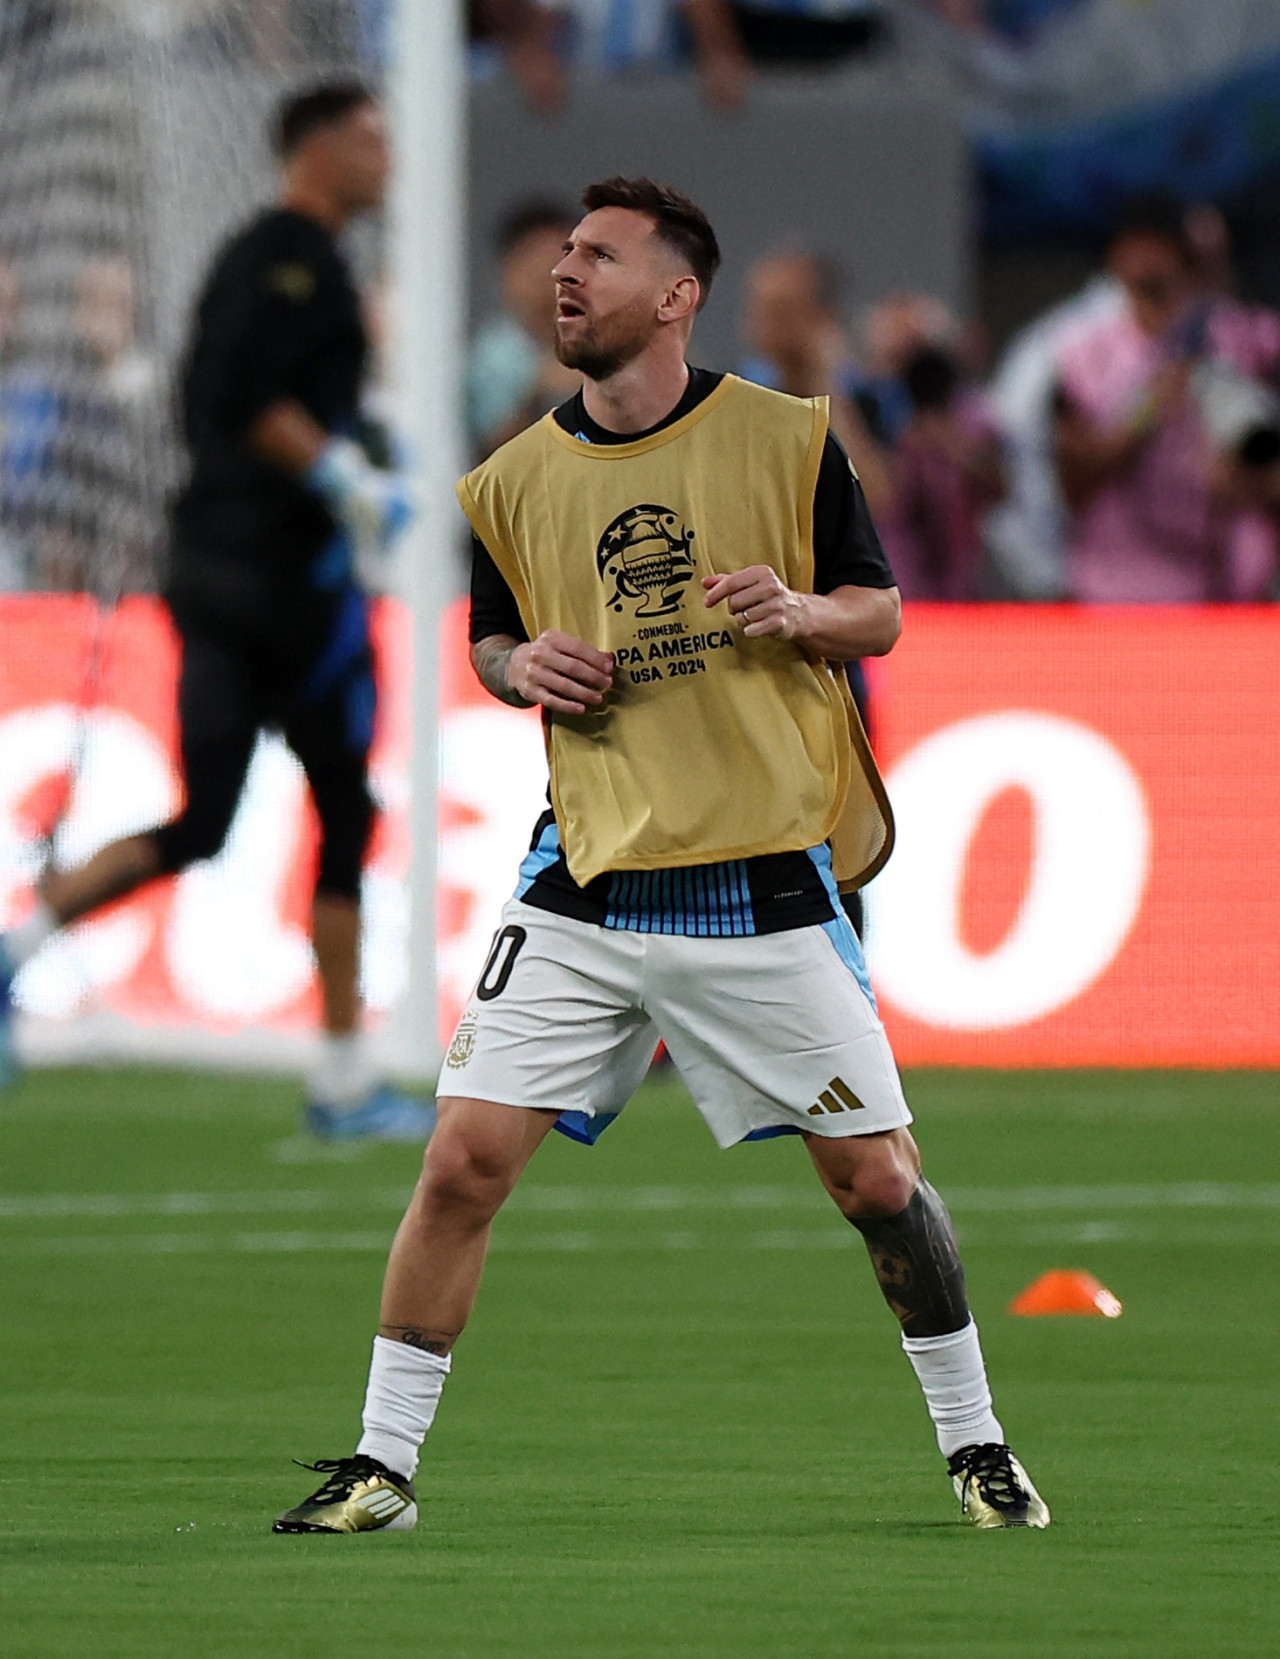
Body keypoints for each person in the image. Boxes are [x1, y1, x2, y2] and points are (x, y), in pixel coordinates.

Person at [273, 176, 1050, 1535]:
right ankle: (382, 1465)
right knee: (460, 1162)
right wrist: (525, 668)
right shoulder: (511, 478)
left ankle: (977, 1442)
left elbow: (882, 612)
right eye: (565, 254)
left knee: (877, 1181)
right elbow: (492, 638)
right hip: (582, 875)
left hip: (755, 876)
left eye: (600, 257)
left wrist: (803, 608)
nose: (565, 275)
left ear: (677, 294)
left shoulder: (783, 439)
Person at [0, 82, 434, 1142]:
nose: (388, 160)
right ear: (317, 147)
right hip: (275, 581)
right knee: (329, 806)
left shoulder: (293, 259)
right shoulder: (284, 258)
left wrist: (353, 464)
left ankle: (12, 957)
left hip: (235, 572)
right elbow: (232, 398)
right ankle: (339, 1083)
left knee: (229, 818)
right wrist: (342, 475)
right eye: (370, 140)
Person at [1052, 194, 1280, 603]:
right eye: (1136, 245)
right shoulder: (1085, 352)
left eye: (1160, 246)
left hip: (1220, 593)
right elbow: (1072, 479)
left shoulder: (1235, 338)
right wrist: (1148, 411)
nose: (1146, 260)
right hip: (1115, 592)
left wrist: (1248, 478)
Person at [468, 200, 582, 458]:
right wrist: (539, 388)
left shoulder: (600, 339)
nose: (550, 283)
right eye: (537, 268)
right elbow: (492, 448)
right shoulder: (495, 353)